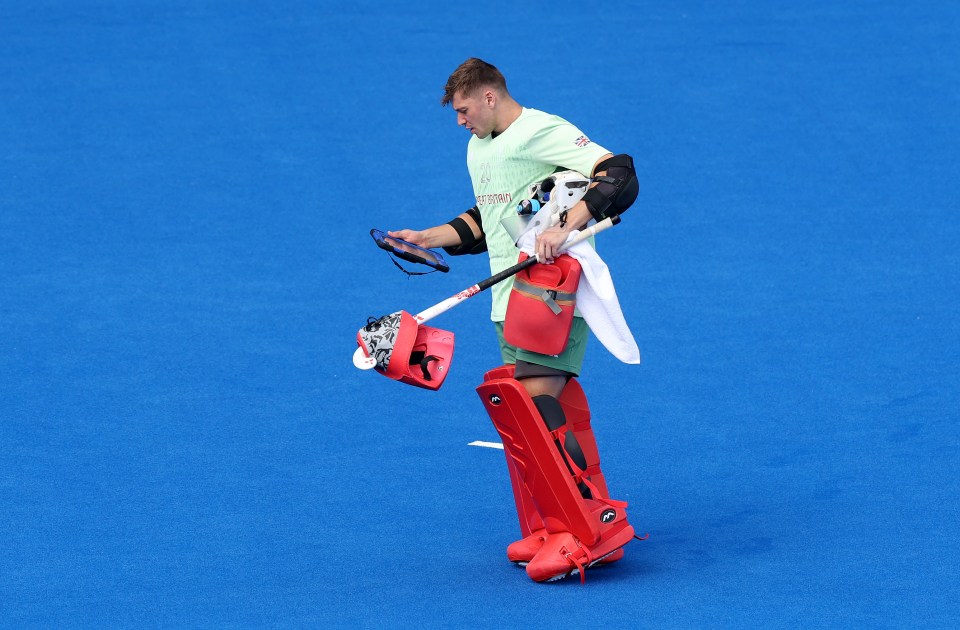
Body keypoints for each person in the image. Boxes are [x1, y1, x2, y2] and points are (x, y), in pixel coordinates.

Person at [388, 58, 640, 583]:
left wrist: (568, 224)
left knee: (534, 409)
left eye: (463, 110)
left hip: (554, 293)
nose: (459, 121)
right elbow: (488, 220)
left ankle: (583, 533)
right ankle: (563, 524)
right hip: (509, 300)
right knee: (545, 411)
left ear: (488, 97)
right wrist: (427, 238)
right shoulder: (479, 148)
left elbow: (617, 174)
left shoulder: (540, 130)